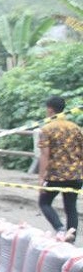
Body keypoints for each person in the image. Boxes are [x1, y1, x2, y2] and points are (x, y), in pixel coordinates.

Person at [37, 96, 83, 242]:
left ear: (50, 109)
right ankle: (71, 239)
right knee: (71, 208)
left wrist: (41, 177)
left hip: (55, 176)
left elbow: (45, 155)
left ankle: (59, 228)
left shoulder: (46, 129)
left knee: (44, 203)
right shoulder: (75, 128)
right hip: (75, 175)